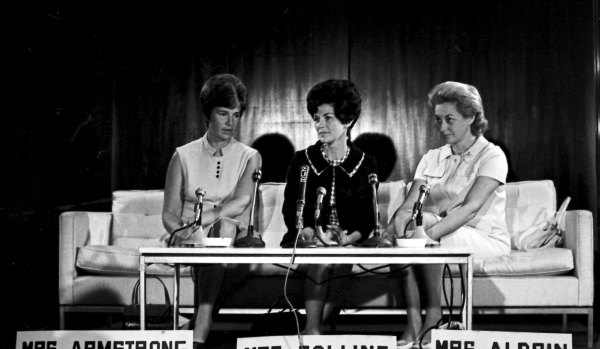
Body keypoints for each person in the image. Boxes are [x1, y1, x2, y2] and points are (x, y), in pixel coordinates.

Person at [384, 81, 510, 349]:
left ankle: (433, 317)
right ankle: (413, 323)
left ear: (471, 117)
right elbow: (409, 205)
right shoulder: (432, 157)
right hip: (443, 231)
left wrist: (425, 236)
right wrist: (398, 228)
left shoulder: (492, 155)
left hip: (484, 238)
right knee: (406, 229)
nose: (442, 128)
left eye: (449, 119)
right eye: (438, 120)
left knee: (421, 230)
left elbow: (470, 208)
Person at [162, 73, 262, 348]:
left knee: (227, 225)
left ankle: (199, 324)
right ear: (208, 114)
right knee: (216, 235)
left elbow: (240, 202)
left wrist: (201, 221)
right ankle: (198, 327)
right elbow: (169, 213)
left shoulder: (250, 156)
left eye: (236, 114)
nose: (231, 122)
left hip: (232, 239)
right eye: (223, 113)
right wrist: (181, 233)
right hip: (191, 242)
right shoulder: (182, 155)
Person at [280, 79, 378, 334]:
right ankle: (314, 330)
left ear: (347, 121)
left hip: (346, 244)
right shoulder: (302, 160)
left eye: (328, 118)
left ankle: (315, 329)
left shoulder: (366, 164)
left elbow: (368, 220)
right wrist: (309, 232)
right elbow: (291, 209)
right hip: (307, 241)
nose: (319, 125)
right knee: (322, 259)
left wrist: (348, 239)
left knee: (342, 261)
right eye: (316, 118)